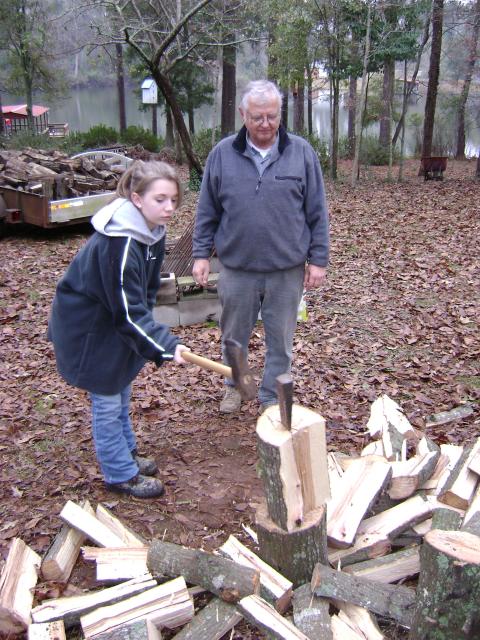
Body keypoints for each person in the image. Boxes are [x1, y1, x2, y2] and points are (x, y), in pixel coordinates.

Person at [48, 160, 190, 498]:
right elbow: (128, 311)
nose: (169, 208)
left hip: (113, 320)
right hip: (89, 328)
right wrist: (166, 345)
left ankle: (126, 455)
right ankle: (118, 474)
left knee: (121, 386)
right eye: (160, 199)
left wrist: (154, 337)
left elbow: (142, 294)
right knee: (108, 399)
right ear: (137, 199)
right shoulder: (121, 242)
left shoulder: (152, 229)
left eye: (173, 199)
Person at [192, 79, 329, 414]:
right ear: (243, 115)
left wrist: (319, 259)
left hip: (287, 270)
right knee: (233, 338)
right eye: (257, 117)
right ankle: (236, 387)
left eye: (271, 116)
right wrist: (200, 254)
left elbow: (317, 210)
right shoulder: (222, 154)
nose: (265, 124)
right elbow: (207, 209)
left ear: (280, 114)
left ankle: (271, 395)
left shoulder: (302, 153)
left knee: (280, 341)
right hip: (237, 269)